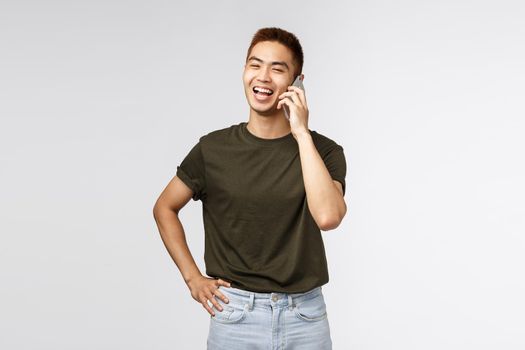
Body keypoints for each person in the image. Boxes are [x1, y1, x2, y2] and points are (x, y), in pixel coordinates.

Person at [153, 27, 347, 349]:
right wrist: (193, 278)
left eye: (278, 68)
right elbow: (164, 207)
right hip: (236, 317)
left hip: (305, 317)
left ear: (297, 81)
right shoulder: (213, 149)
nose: (264, 77)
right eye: (255, 65)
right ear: (244, 71)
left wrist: (301, 133)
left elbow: (328, 216)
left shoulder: (324, 152)